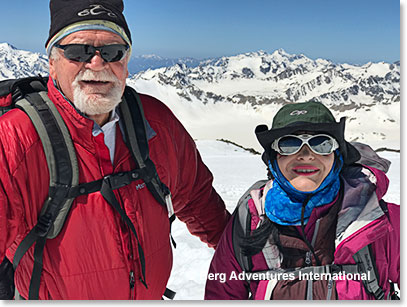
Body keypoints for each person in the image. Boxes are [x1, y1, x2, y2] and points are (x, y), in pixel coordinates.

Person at [0, 0, 230, 300]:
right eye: (78, 51)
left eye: (112, 51)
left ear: (126, 60)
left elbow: (198, 199)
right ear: (52, 63)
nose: (97, 64)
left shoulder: (156, 122)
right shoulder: (15, 140)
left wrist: (247, 256)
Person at [205, 101, 399, 300]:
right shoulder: (250, 219)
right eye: (289, 144)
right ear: (273, 159)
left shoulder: (381, 221)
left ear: (337, 157)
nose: (306, 155)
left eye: (321, 144)